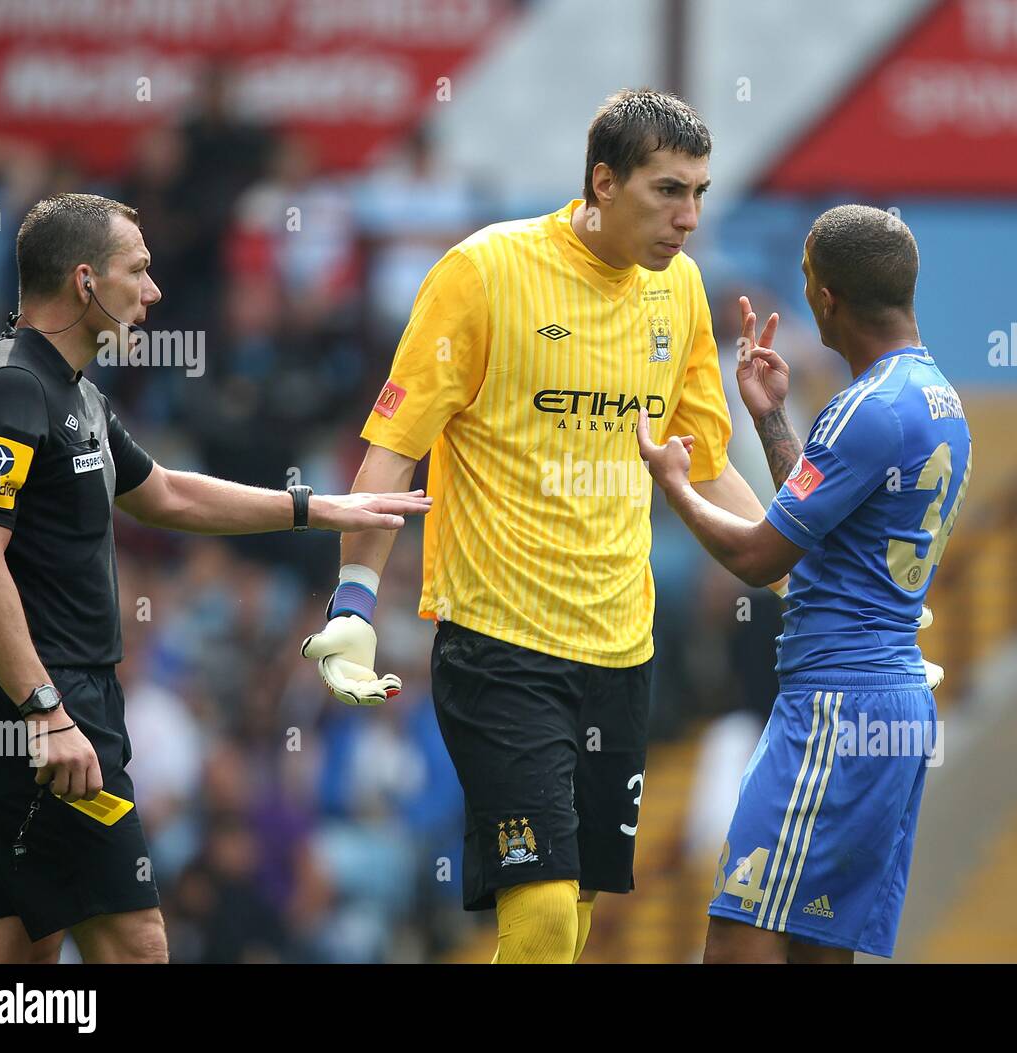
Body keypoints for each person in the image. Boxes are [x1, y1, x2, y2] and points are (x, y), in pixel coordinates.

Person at [301, 89, 787, 965]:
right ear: (603, 181)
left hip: (621, 651)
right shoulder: (484, 273)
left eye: (700, 194)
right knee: (548, 911)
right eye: (667, 191)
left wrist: (810, 578)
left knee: (579, 909)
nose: (689, 217)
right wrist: (354, 602)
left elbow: (707, 464)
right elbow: (393, 450)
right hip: (499, 646)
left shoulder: (678, 290)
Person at [0, 192, 430, 964]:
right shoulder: (10, 386)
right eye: (137, 269)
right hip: (43, 707)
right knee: (138, 943)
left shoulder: (78, 393)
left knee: (21, 950)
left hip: (65, 705)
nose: (154, 288)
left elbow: (166, 492)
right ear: (83, 281)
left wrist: (319, 506)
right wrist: (44, 709)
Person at [638, 203, 972, 963]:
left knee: (736, 938)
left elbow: (762, 558)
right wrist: (771, 416)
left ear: (826, 299)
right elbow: (822, 521)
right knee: (818, 945)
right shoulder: (935, 400)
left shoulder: (863, 409)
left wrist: (676, 484)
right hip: (891, 705)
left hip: (834, 703)